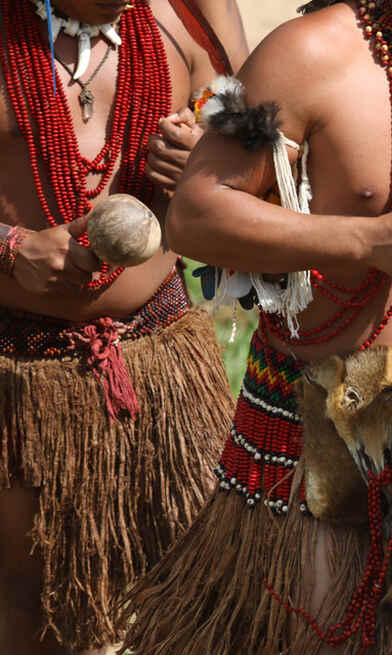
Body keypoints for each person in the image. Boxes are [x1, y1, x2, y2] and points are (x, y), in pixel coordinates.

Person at [118, 0, 392, 653]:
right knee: (318, 632)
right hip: (312, 427)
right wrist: (364, 239)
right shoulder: (307, 56)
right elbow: (195, 213)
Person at [0, 1, 246, 652]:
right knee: (29, 598)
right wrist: (9, 246)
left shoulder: (193, 18)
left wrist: (206, 169)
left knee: (198, 583)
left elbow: (263, 173)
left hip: (161, 364)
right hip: (19, 379)